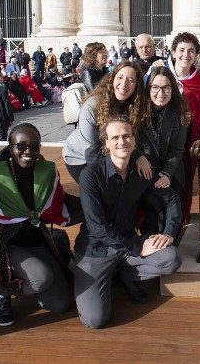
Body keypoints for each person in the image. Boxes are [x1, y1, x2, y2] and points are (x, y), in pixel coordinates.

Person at [74, 115, 182, 329]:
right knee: (95, 320)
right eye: (115, 137)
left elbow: (171, 197)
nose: (121, 141)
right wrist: (136, 247)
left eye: (126, 136)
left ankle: (124, 274)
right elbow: (97, 227)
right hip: (95, 251)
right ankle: (98, 277)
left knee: (171, 258)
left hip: (126, 245)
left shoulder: (140, 171)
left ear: (134, 140)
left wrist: (169, 232)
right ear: (106, 142)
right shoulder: (91, 175)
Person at [0, 124, 72, 327]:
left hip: (37, 241)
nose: (28, 152)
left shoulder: (48, 172)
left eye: (34, 146)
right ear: (10, 148)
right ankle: (2, 291)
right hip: (4, 244)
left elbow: (59, 201)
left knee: (59, 304)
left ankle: (51, 249)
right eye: (21, 146)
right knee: (42, 278)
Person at [63, 61, 144, 182]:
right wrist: (108, 178)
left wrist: (138, 156)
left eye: (131, 80)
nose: (124, 84)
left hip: (110, 153)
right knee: (103, 191)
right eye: (120, 77)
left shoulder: (133, 106)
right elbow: (91, 150)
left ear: (136, 85)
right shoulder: (92, 106)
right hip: (81, 157)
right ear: (112, 79)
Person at [137, 67, 191, 235]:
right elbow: (132, 143)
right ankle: (152, 241)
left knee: (173, 201)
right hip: (144, 169)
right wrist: (138, 156)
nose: (161, 93)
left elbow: (177, 149)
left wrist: (167, 174)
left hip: (170, 169)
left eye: (166, 87)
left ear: (172, 89)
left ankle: (170, 239)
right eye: (155, 87)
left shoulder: (179, 111)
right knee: (152, 203)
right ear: (149, 88)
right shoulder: (137, 110)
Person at [164, 32, 200, 227]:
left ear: (196, 55)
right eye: (181, 50)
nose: (186, 55)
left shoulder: (198, 81)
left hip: (186, 140)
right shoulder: (161, 74)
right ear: (173, 52)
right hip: (162, 138)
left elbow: (199, 114)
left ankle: (179, 221)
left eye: (191, 51)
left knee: (183, 183)